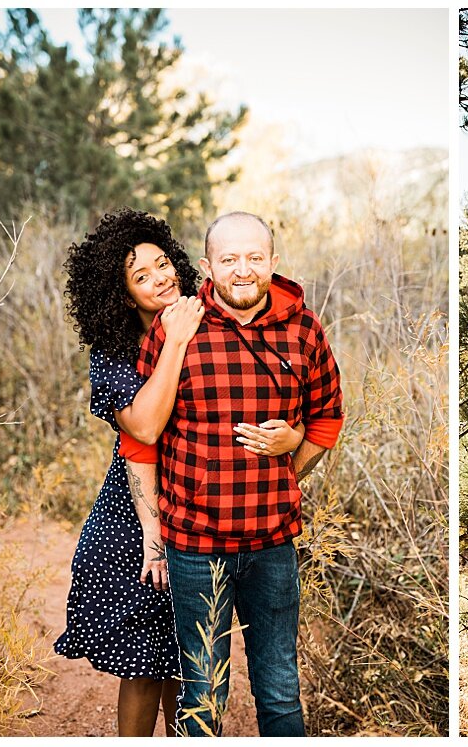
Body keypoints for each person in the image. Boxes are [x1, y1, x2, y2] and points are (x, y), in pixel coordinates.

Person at [54, 208, 303, 737]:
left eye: (163, 263)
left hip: (205, 518)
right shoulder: (116, 354)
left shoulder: (210, 316)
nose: (160, 278)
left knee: (186, 666)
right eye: (140, 276)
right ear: (123, 295)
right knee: (146, 668)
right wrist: (175, 342)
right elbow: (143, 429)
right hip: (136, 522)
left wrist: (290, 445)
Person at [120, 211, 344, 737]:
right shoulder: (177, 327)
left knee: (280, 687)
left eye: (254, 257)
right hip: (196, 546)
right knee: (202, 691)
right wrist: (155, 533)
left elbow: (329, 416)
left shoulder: (305, 330)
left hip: (273, 543)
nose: (243, 270)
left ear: (273, 262)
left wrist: (292, 454)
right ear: (207, 265)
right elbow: (141, 439)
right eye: (229, 259)